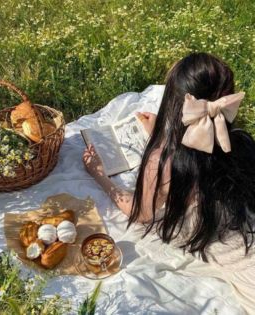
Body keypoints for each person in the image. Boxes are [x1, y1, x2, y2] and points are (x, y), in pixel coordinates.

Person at [82, 52, 255, 267]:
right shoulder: (239, 140)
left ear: (172, 105)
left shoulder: (164, 162)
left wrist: (100, 176)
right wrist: (165, 134)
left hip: (232, 252)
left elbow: (141, 213)